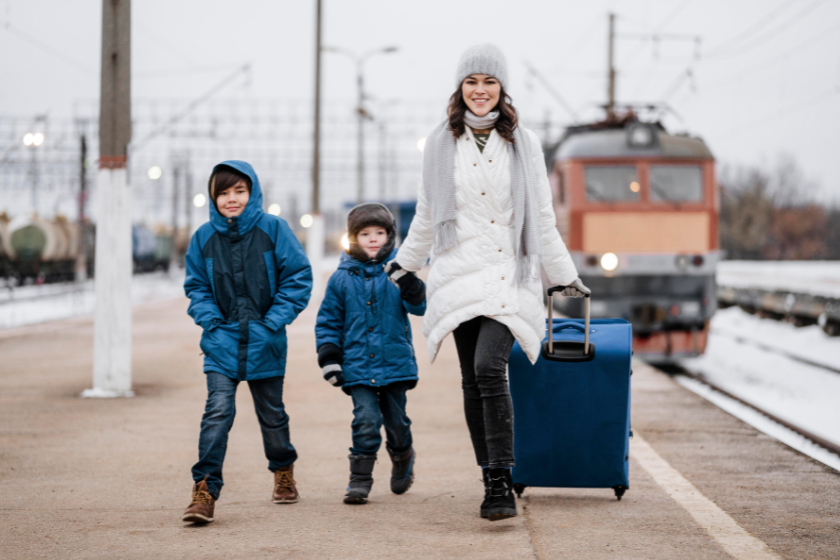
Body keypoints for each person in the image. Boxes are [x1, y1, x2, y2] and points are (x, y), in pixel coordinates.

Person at [387, 45, 589, 521]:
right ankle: (489, 478)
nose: (481, 91)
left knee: (487, 368)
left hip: (506, 273)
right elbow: (430, 214)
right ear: (461, 88)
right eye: (472, 81)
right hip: (457, 274)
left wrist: (565, 279)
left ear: (502, 88)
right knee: (470, 381)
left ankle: (502, 478)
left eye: (490, 82)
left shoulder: (525, 143)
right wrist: (405, 264)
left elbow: (541, 217)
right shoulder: (440, 144)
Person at [181, 161, 312, 524]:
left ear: (252, 193)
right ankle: (204, 490)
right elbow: (196, 286)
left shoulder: (274, 229)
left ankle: (283, 470)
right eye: (223, 192)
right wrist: (209, 320)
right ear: (213, 198)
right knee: (218, 412)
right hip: (221, 343)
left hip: (265, 341)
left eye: (239, 191)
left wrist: (272, 322)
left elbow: (298, 277)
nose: (231, 199)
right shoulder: (203, 237)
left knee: (271, 416)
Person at [315, 203, 426, 505]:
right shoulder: (340, 279)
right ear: (353, 238)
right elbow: (328, 321)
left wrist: (411, 286)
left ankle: (403, 455)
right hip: (357, 365)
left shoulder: (399, 271)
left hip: (395, 362)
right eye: (365, 233)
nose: (373, 238)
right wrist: (329, 357)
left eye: (380, 232)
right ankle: (359, 480)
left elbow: (420, 308)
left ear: (390, 236)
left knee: (396, 421)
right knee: (365, 419)